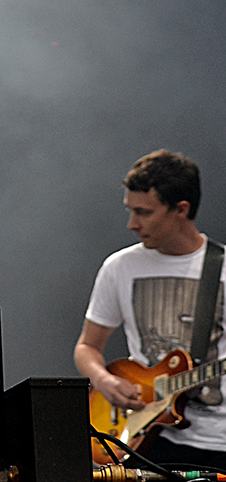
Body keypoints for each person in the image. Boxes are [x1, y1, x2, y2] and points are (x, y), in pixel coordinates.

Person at [75, 150, 226, 470]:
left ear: (181, 210)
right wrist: (104, 382)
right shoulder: (119, 267)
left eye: (143, 212)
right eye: (130, 211)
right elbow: (87, 347)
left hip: (219, 444)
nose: (132, 224)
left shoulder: (223, 269)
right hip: (144, 442)